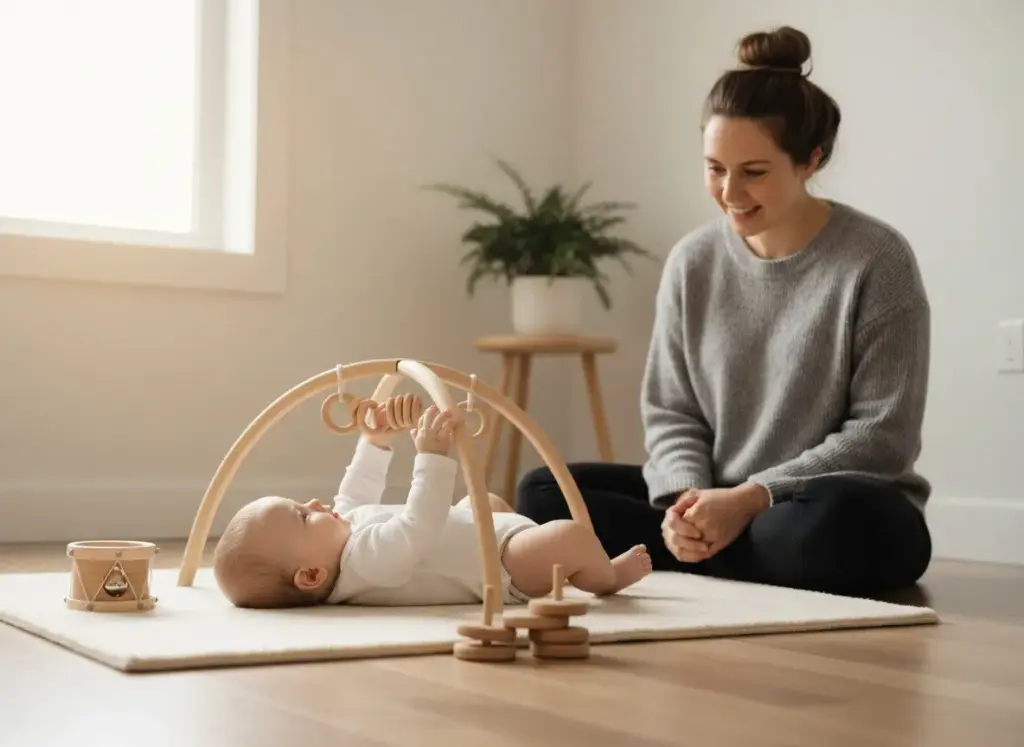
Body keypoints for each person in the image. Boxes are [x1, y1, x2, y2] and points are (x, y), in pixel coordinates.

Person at [515, 25, 933, 597]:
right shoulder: (694, 260)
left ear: (811, 159)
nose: (730, 191)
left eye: (754, 172)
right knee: (544, 494)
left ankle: (705, 558)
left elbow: (881, 436)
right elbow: (671, 411)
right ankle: (709, 550)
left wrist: (751, 497)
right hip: (716, 497)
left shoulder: (876, 259)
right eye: (715, 168)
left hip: (812, 504)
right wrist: (683, 501)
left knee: (839, 526)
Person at [212, 403, 652, 609]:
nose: (312, 502)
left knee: (488, 502)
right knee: (567, 535)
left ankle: (565, 557)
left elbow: (356, 491)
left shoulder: (342, 535)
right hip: (501, 568)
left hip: (486, 534)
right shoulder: (366, 564)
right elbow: (418, 524)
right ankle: (606, 577)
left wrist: (375, 441)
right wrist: (432, 456)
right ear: (312, 575)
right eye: (302, 515)